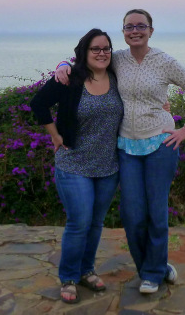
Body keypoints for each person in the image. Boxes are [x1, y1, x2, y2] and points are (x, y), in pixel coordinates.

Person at [56, 9, 185, 294]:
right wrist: (63, 64)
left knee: (156, 212)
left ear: (151, 30)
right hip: (126, 146)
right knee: (133, 214)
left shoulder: (165, 62)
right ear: (124, 31)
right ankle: (156, 267)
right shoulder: (117, 60)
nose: (135, 30)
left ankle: (151, 274)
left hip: (160, 144)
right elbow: (87, 59)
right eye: (129, 26)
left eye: (141, 26)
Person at [30, 28, 124, 304]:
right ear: (84, 52)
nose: (102, 53)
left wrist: (162, 105)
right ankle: (69, 277)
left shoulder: (117, 77)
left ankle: (86, 270)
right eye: (95, 48)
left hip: (108, 167)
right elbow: (38, 104)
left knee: (95, 223)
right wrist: (55, 135)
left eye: (106, 48)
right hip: (74, 164)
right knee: (79, 222)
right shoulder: (71, 79)